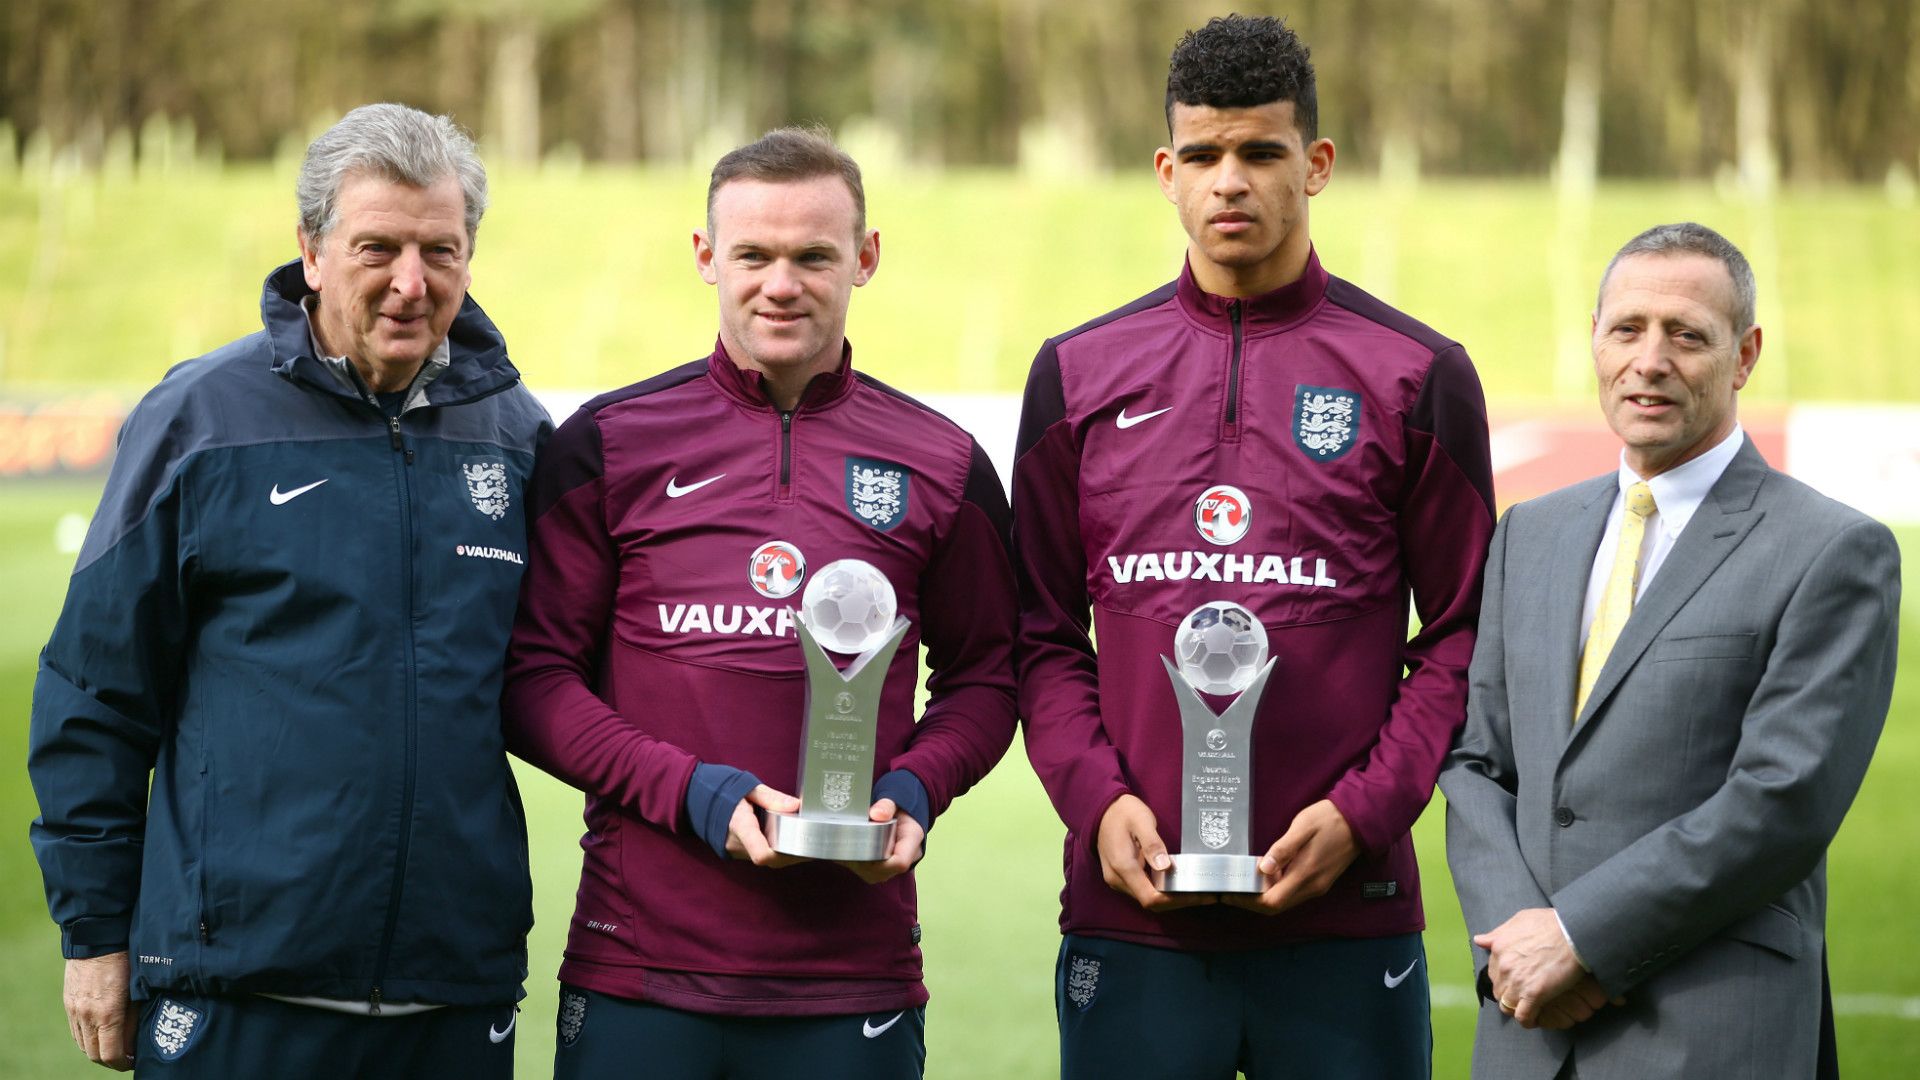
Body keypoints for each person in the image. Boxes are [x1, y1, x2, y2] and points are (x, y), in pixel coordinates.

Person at [1012, 15, 1494, 1079]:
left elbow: (1463, 638)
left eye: (1262, 152)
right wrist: (1100, 803)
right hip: (1132, 919)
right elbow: (1038, 638)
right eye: (1205, 155)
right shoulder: (1078, 375)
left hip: (1344, 919)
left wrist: (1362, 816)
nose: (1230, 181)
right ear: (1166, 171)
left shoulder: (1417, 375)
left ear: (1315, 164)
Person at [27, 103, 549, 1077]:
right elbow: (95, 694)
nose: (410, 281)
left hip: (455, 987)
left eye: (441, 249)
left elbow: (569, 679)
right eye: (377, 247)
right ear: (311, 251)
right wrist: (94, 935)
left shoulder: (516, 437)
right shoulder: (200, 420)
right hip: (238, 988)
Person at [502, 126, 1018, 1080]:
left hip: (851, 976)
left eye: (813, 255)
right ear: (707, 258)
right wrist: (694, 792)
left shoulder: (942, 463)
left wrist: (916, 791)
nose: (782, 283)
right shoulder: (609, 445)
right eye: (754, 254)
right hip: (638, 968)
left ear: (864, 258)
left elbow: (989, 675)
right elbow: (534, 681)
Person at [1439, 221, 1900, 1078]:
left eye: (1687, 335)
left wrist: (1583, 939)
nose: (1649, 360)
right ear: (1595, 340)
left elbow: (1783, 800)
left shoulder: (1833, 550)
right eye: (1628, 329)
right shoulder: (1529, 534)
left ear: (1746, 353)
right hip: (1525, 1027)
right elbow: (1474, 762)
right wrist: (1520, 948)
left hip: (1709, 1032)